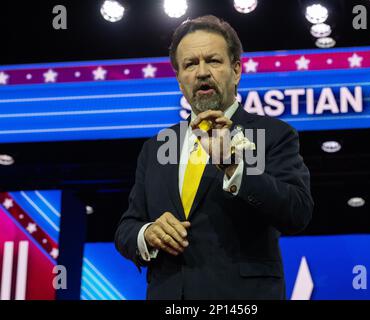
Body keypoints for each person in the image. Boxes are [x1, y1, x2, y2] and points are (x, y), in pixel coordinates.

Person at [114, 15, 313, 300]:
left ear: (236, 70)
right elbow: (127, 227)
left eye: (213, 61)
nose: (202, 72)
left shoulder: (273, 134)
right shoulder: (156, 147)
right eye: (190, 64)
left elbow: (298, 212)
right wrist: (147, 234)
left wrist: (235, 168)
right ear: (180, 79)